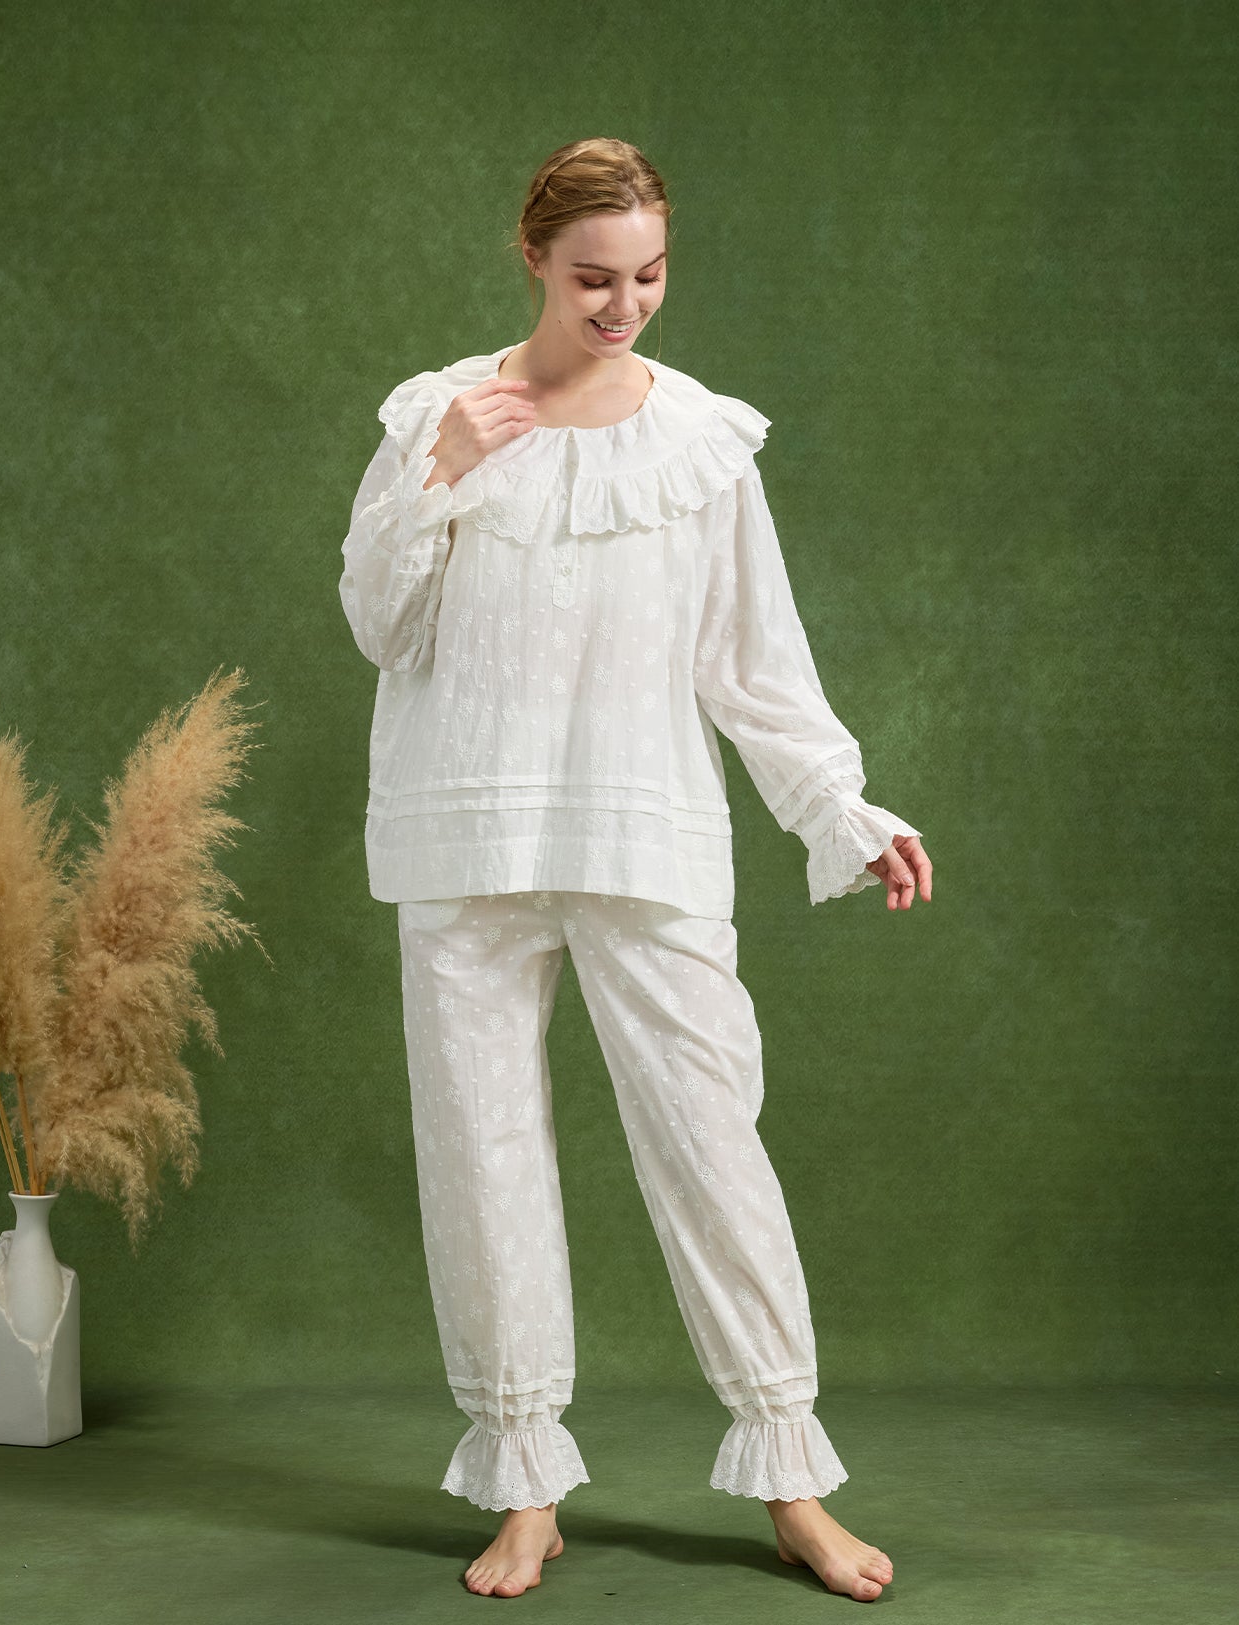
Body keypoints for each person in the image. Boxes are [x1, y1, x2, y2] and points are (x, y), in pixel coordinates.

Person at [337, 137, 932, 1602]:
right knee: (482, 1157)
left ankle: (791, 1481)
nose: (624, 305)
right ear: (533, 259)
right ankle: (524, 1489)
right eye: (594, 277)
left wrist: (840, 808)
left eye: (650, 275)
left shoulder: (700, 443)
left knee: (711, 1137)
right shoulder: (436, 412)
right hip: (466, 837)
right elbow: (379, 626)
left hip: (641, 828)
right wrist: (444, 474)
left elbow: (751, 659)